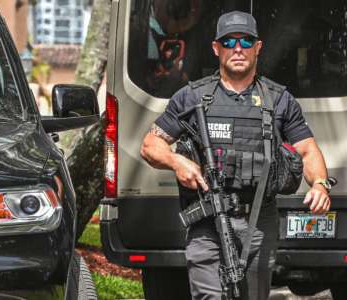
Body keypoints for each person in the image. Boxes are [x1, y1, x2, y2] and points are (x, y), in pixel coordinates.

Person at [140, 10, 331, 300]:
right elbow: (150, 145)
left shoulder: (278, 100)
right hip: (206, 220)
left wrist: (319, 183)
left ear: (258, 48)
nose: (238, 49)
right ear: (216, 49)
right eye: (229, 42)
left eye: (245, 41)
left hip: (257, 221)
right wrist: (177, 161)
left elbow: (307, 149)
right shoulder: (192, 97)